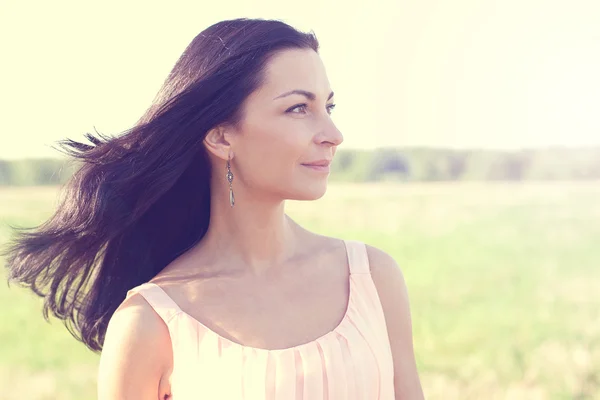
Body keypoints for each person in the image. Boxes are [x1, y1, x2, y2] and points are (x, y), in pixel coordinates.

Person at [1, 18, 424, 399]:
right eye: (299, 108)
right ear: (221, 138)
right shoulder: (149, 323)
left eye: (327, 107)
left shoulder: (371, 278)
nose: (333, 133)